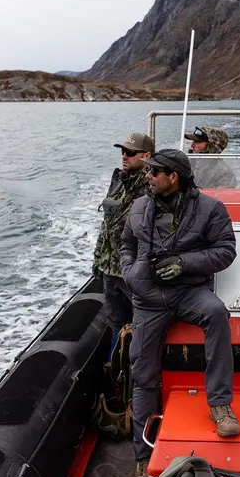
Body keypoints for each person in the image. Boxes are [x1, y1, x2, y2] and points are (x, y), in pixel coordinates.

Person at [120, 149, 240, 477]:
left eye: (154, 171)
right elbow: (126, 242)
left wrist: (184, 263)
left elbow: (226, 250)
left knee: (216, 313)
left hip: (189, 292)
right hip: (147, 299)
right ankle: (143, 457)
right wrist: (131, 273)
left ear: (173, 177)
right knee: (142, 371)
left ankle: (220, 406)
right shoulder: (140, 206)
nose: (147, 175)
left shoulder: (210, 209)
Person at [92, 132, 155, 336]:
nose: (124, 156)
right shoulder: (119, 180)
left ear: (146, 155)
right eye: (122, 151)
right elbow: (107, 225)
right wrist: (98, 259)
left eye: (130, 152)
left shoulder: (155, 187)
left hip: (136, 273)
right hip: (110, 269)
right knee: (115, 322)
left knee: (143, 325)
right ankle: (117, 363)